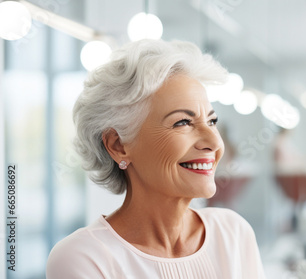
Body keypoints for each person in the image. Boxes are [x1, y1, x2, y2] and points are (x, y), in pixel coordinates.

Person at [46, 39, 266, 279]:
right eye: (183, 122)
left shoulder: (233, 233)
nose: (214, 143)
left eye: (212, 121)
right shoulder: (84, 258)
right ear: (118, 145)